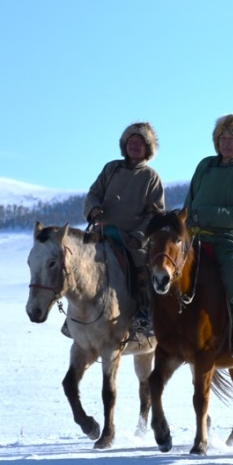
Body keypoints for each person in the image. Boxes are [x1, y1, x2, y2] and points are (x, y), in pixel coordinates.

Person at [183, 113, 233, 359]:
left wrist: (205, 215)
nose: (227, 143)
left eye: (232, 139)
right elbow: (190, 199)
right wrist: (184, 223)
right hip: (196, 237)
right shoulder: (205, 166)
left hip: (230, 240)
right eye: (223, 138)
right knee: (168, 266)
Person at [80, 121, 165, 337]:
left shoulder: (151, 177)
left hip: (131, 237)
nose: (134, 146)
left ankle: (144, 311)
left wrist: (140, 235)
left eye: (139, 143)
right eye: (130, 141)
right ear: (124, 145)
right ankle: (77, 315)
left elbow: (155, 214)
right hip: (103, 231)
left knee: (142, 263)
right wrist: (93, 208)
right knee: (80, 262)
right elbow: (94, 192)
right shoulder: (112, 168)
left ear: (147, 148)